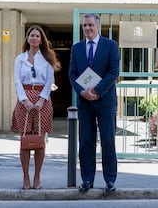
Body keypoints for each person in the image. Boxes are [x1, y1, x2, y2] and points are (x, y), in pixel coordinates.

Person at [69, 13, 120, 193]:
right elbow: (72, 74)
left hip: (105, 101)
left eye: (90, 25)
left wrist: (97, 91)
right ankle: (87, 179)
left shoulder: (110, 46)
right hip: (85, 102)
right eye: (85, 26)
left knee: (108, 140)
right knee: (86, 142)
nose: (87, 28)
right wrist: (82, 92)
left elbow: (114, 72)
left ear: (98, 26)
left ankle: (110, 180)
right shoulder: (77, 48)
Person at [12, 25, 61, 190]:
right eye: (31, 35)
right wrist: (24, 100)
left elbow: (49, 80)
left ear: (41, 40)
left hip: (42, 100)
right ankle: (25, 177)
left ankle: (37, 177)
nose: (34, 38)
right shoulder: (20, 59)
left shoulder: (47, 58)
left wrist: (41, 100)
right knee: (25, 139)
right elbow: (17, 80)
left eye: (37, 36)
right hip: (24, 99)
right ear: (27, 38)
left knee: (39, 140)